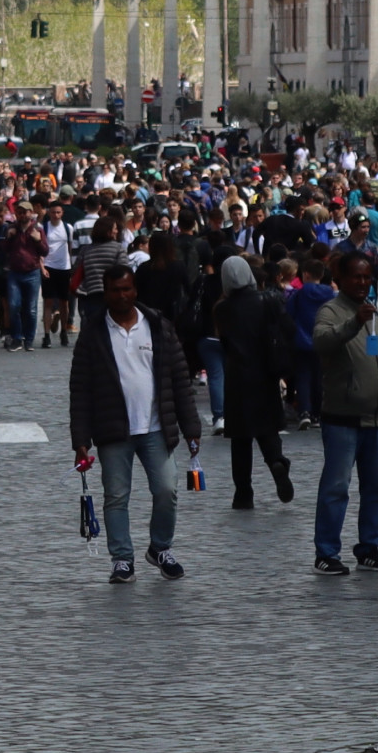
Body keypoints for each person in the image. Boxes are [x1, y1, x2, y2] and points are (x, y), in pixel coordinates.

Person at [67, 260, 203, 582]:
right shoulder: (93, 333)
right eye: (115, 290)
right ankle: (122, 559)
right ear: (105, 293)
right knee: (116, 496)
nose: (121, 295)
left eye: (126, 289)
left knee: (167, 489)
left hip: (157, 427)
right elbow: (80, 390)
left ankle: (160, 548)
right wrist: (81, 441)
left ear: (135, 290)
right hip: (113, 430)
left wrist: (191, 429)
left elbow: (179, 380)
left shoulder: (157, 326)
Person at [308, 254, 378, 575]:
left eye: (367, 277)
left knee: (377, 488)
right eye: (356, 277)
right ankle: (326, 552)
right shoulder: (331, 311)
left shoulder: (372, 314)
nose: (362, 282)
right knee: (336, 488)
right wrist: (354, 323)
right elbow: (322, 341)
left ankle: (369, 548)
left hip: (375, 419)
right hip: (342, 419)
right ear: (341, 279)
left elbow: (375, 358)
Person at [212, 249, 297, 509]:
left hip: (237, 376)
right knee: (267, 428)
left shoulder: (223, 309)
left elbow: (224, 343)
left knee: (240, 438)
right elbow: (288, 330)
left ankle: (243, 492)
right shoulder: (267, 301)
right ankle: (276, 461)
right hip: (265, 372)